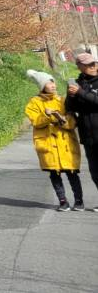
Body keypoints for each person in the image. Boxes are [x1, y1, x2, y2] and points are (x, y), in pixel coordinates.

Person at [27, 68, 84, 211]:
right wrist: (47, 116)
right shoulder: (34, 103)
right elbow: (36, 121)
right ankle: (63, 201)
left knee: (72, 173)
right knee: (54, 173)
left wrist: (62, 119)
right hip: (48, 143)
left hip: (66, 142)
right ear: (42, 86)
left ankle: (79, 201)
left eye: (53, 82)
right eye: (49, 82)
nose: (53, 85)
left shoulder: (63, 100)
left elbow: (72, 122)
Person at [65, 49, 98, 204]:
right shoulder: (77, 83)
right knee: (95, 172)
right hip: (88, 136)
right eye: (88, 64)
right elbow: (69, 108)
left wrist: (80, 92)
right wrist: (71, 96)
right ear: (79, 66)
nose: (93, 66)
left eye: (94, 63)